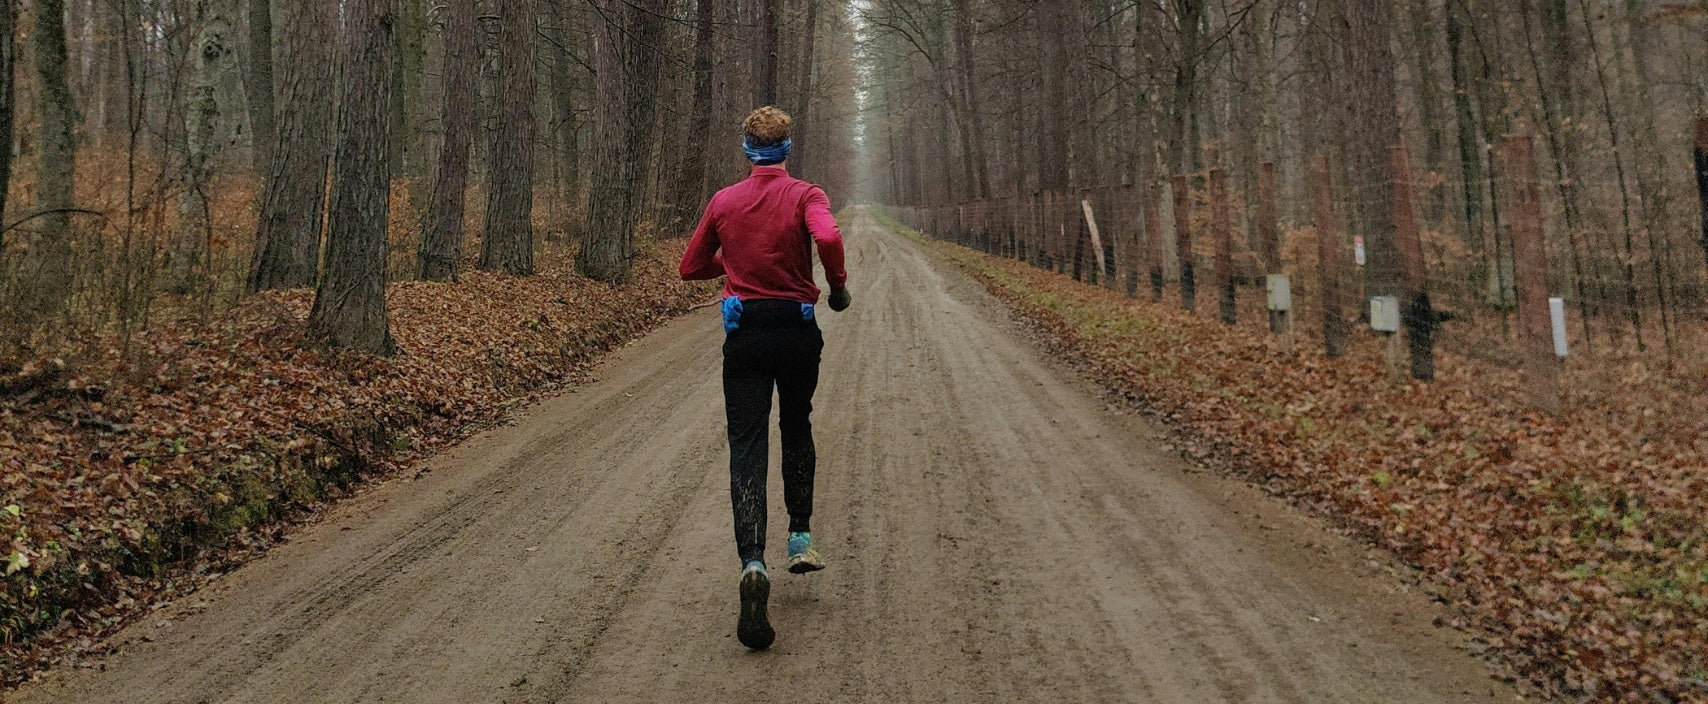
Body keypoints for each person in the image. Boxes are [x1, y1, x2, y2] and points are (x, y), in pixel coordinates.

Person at [679, 106, 851, 650]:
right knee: (796, 425)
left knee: (746, 445)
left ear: (746, 149)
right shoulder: (807, 195)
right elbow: (827, 238)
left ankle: (753, 563)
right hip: (797, 331)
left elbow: (689, 266)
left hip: (746, 333)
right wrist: (837, 285)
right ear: (787, 148)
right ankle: (800, 537)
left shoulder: (724, 201)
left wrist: (730, 271)